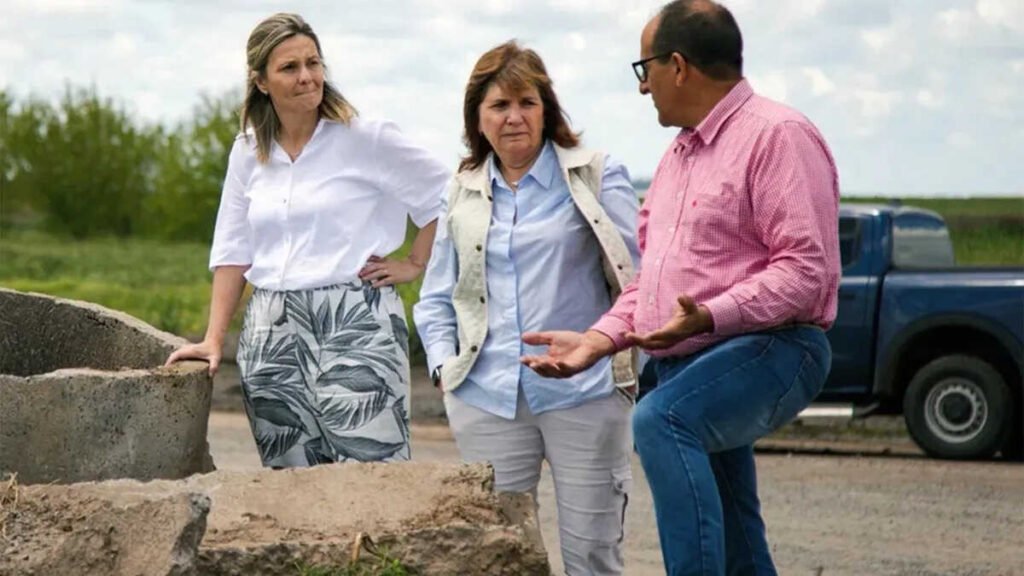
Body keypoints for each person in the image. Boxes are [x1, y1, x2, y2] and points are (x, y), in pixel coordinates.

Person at [521, 1, 841, 574]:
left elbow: (805, 270)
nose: (643, 88)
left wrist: (710, 316)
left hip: (775, 347)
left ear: (677, 65)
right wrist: (599, 341)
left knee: (661, 420)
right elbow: (652, 281)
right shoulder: (677, 158)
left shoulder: (778, 136)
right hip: (691, 362)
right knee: (738, 534)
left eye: (644, 69)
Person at [166, 13, 449, 468]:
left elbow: (447, 198)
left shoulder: (366, 137)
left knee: (371, 473)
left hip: (355, 320)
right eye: (289, 68)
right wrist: (214, 338)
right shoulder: (248, 149)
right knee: (290, 484)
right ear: (260, 81)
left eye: (313, 63)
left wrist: (415, 262)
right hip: (269, 330)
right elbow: (233, 248)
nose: (307, 77)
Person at [413, 41, 642, 575]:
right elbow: (436, 296)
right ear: (478, 117)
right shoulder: (461, 189)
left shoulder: (597, 174)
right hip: (486, 397)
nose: (514, 117)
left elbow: (639, 282)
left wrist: (615, 359)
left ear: (547, 109)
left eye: (526, 102)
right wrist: (446, 368)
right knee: (497, 554)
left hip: (584, 392)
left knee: (593, 552)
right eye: (498, 105)